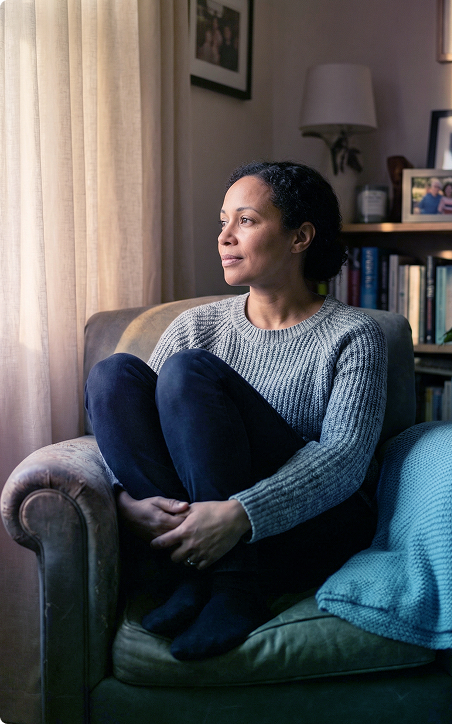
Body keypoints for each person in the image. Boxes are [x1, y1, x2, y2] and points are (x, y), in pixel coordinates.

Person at [84, 161, 388, 661]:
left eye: (245, 221)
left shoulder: (353, 335)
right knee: (112, 375)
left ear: (300, 237)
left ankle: (233, 586)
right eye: (222, 222)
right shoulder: (196, 324)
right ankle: (195, 570)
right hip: (203, 523)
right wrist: (123, 502)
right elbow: (145, 433)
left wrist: (241, 514)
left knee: (187, 372)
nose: (224, 237)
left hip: (310, 522)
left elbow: (345, 460)